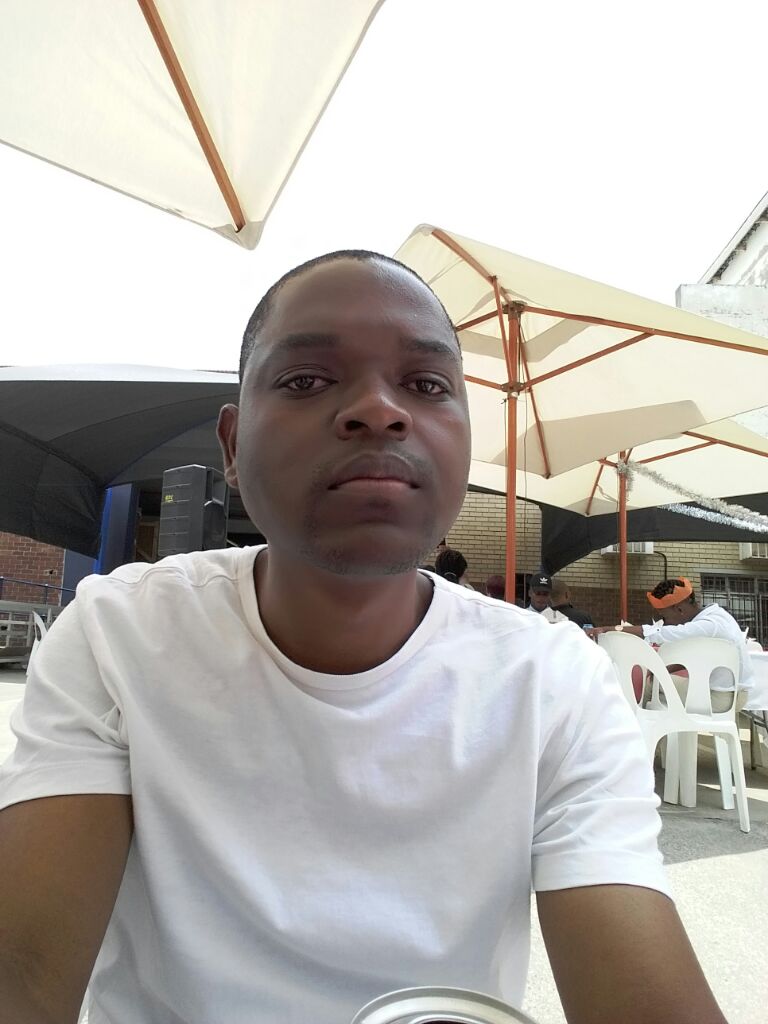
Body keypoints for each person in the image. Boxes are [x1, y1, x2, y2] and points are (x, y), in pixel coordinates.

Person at [0, 252, 727, 1024]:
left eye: (427, 385)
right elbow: (25, 975)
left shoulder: (553, 682)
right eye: (306, 380)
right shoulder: (122, 636)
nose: (379, 410)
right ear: (233, 446)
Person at [590, 576, 753, 712]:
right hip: (731, 694)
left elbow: (659, 633)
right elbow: (696, 659)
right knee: (660, 687)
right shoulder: (717, 616)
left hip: (721, 698)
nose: (665, 622)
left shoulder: (709, 624)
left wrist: (607, 629)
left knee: (651, 687)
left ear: (679, 609)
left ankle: (637, 733)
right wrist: (660, 669)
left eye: (664, 616)